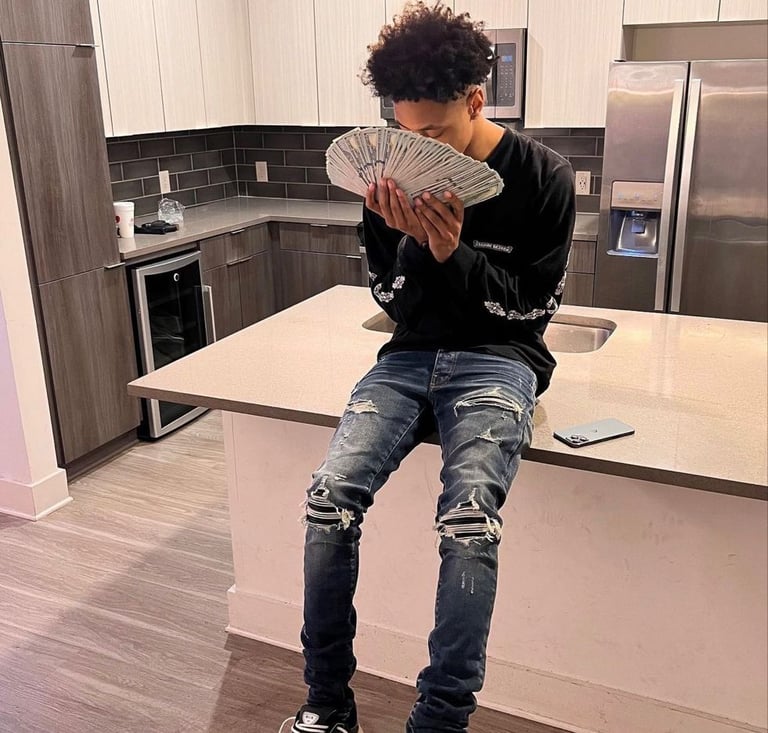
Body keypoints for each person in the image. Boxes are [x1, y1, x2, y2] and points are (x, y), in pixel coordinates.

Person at [283, 3, 575, 732]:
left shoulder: (544, 177)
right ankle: (327, 704)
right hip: (409, 357)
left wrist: (455, 254)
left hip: (500, 360)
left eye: (434, 135)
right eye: (404, 131)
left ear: (475, 101)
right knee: (327, 500)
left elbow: (532, 310)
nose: (415, 149)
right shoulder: (385, 181)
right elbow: (392, 303)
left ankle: (440, 720)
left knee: (470, 521)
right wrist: (412, 246)